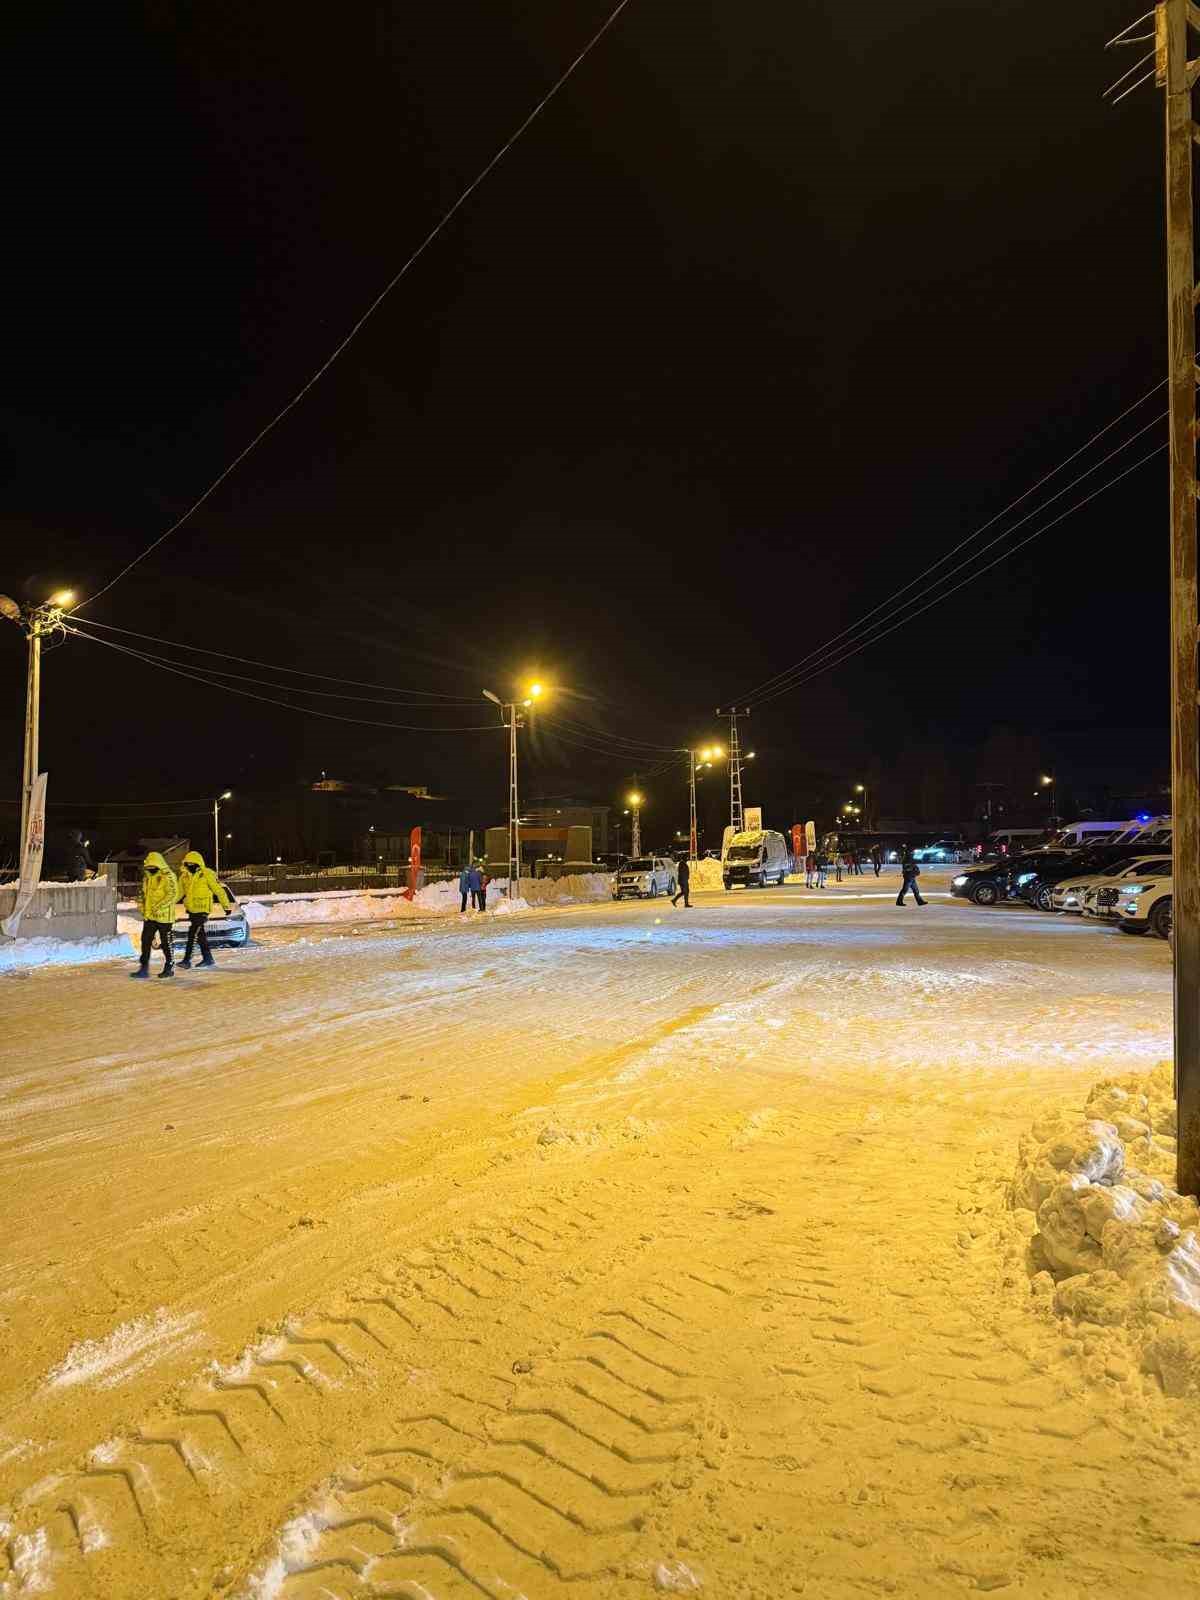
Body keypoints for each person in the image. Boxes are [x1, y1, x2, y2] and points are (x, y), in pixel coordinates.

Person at [176, 849, 234, 968]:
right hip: (192, 910)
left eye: (193, 864)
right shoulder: (184, 877)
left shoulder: (207, 874)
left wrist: (226, 906)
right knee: (200, 935)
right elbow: (178, 893)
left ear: (198, 863)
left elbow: (218, 890)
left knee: (193, 933)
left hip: (203, 910)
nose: (190, 866)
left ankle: (187, 960)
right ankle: (208, 959)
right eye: (188, 864)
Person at [132, 850, 178, 979]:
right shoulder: (147, 877)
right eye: (149, 867)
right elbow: (144, 895)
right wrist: (142, 907)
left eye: (153, 867)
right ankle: (143, 968)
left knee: (166, 943)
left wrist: (159, 906)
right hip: (151, 917)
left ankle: (169, 967)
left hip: (165, 918)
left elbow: (172, 895)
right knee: (145, 941)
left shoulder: (169, 876)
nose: (150, 869)